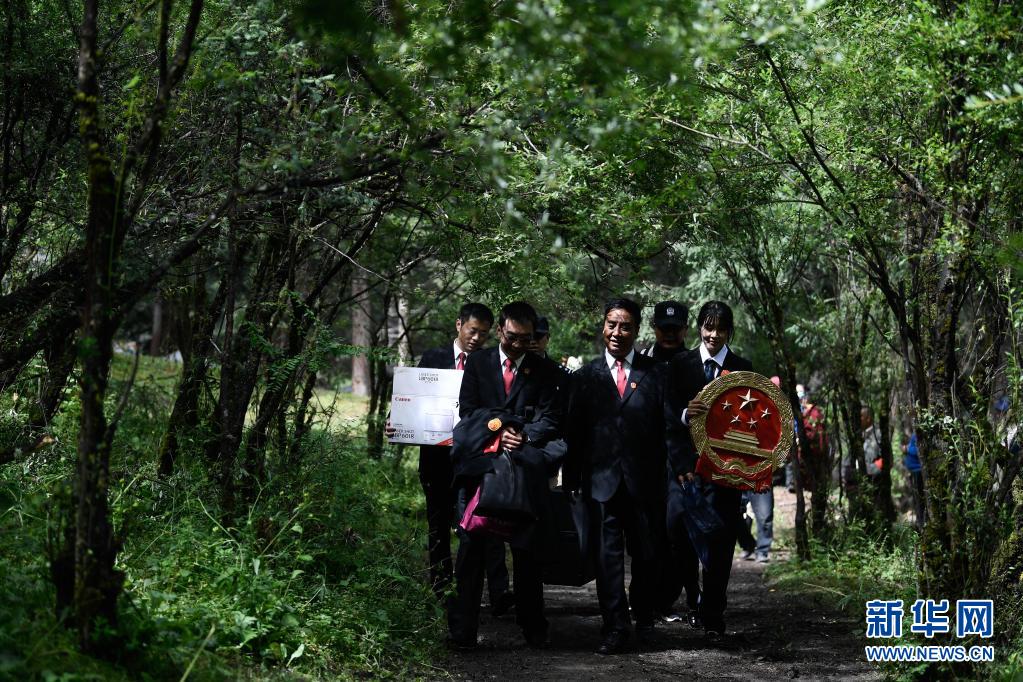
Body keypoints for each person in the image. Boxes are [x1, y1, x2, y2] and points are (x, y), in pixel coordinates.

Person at [564, 298, 684, 654]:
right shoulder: (585, 377)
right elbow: (575, 433)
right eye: (612, 325)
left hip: (645, 485)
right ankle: (615, 626)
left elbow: (669, 428)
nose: (617, 332)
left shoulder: (656, 374)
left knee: (647, 556)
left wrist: (681, 468)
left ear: (637, 330)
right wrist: (571, 480)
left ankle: (644, 617)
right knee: (607, 558)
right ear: (603, 327)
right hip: (601, 484)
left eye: (626, 326)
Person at [448, 301, 562, 650]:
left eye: (525, 339)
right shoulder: (478, 363)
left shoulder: (545, 370)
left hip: (524, 471)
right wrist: (503, 427)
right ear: (500, 330)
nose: (517, 345)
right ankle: (463, 632)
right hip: (482, 470)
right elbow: (469, 412)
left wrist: (523, 436)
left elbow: (550, 419)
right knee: (472, 550)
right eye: (512, 337)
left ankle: (533, 627)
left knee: (527, 552)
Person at [411, 303, 514, 614]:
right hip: (436, 458)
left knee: (483, 523)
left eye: (483, 334)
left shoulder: (490, 363)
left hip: (475, 458)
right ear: (459, 325)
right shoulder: (433, 358)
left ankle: (497, 593)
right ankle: (442, 591)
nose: (476, 338)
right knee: (438, 525)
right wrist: (397, 421)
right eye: (472, 331)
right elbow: (413, 400)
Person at [667, 300, 753, 636]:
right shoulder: (680, 364)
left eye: (721, 329)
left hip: (727, 472)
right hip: (686, 472)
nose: (713, 335)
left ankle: (713, 615)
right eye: (708, 327)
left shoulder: (742, 368)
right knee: (681, 534)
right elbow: (667, 417)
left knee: (721, 541)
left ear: (730, 331)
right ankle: (693, 599)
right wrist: (686, 415)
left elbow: (752, 423)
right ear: (699, 327)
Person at [862, 407, 883, 477]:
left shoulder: (879, 434)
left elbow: (887, 459)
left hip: (875, 479)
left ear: (868, 418)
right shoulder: (858, 435)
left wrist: (871, 470)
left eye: (861, 416)